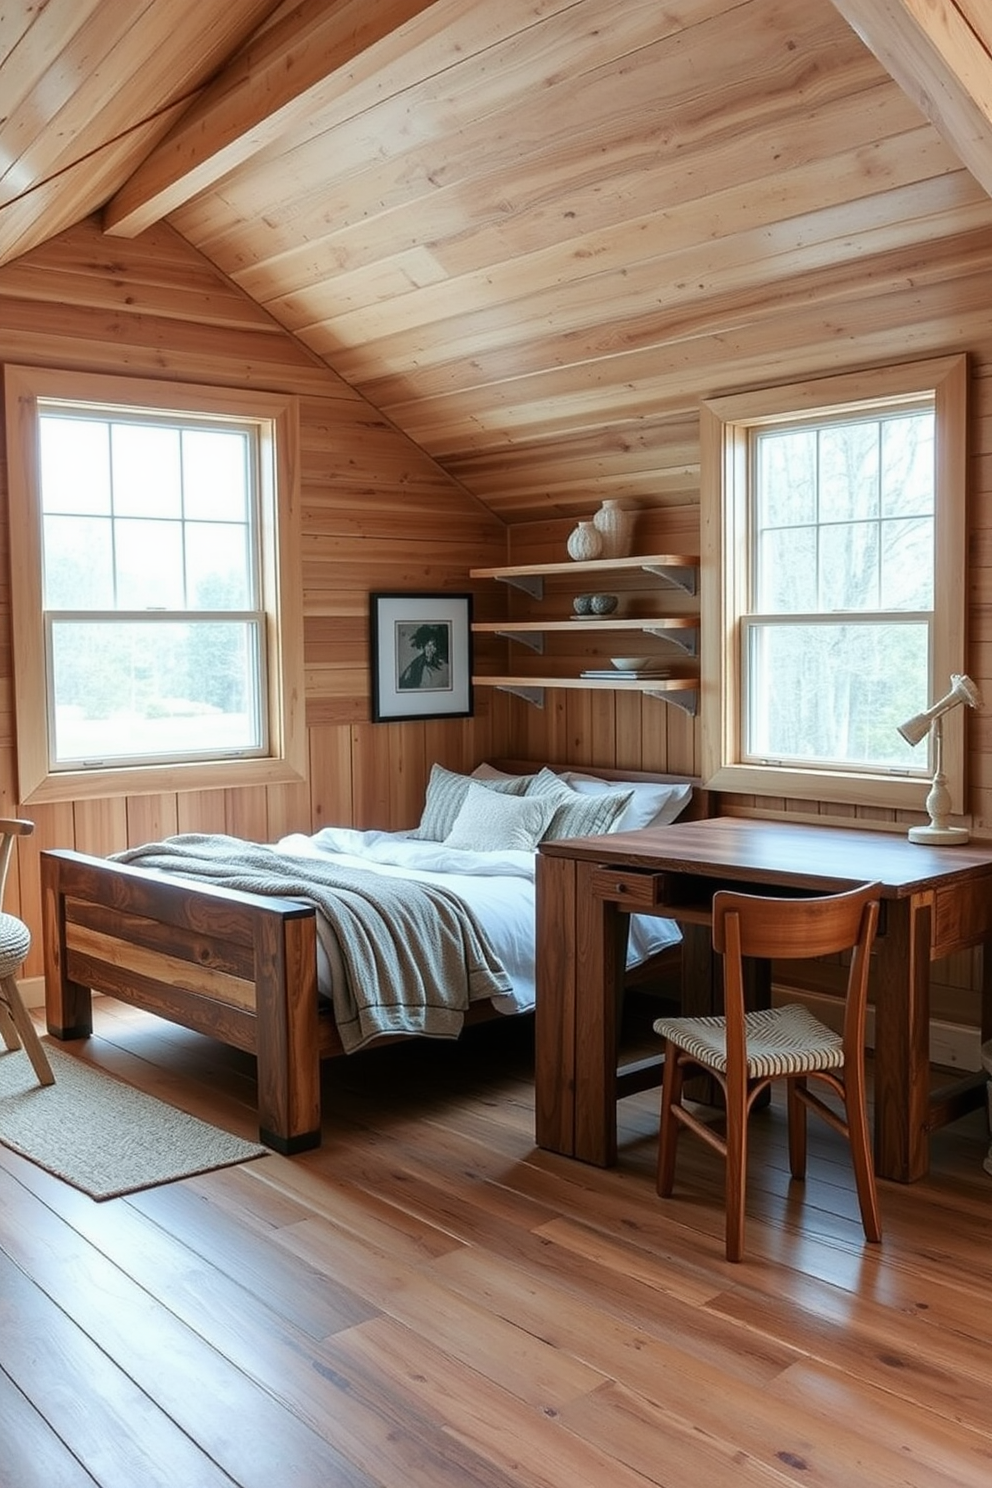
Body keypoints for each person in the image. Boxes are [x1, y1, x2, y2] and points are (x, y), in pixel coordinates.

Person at [398, 623, 450, 690]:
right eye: (428, 645)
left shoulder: (444, 667)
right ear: (423, 646)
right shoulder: (415, 665)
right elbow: (403, 683)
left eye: (433, 645)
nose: (431, 649)